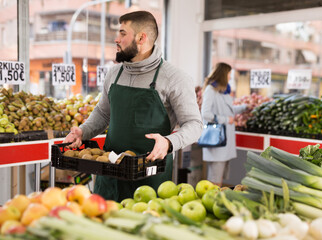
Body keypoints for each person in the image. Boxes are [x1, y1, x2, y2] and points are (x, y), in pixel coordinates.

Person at [64, 11, 203, 202]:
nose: (116, 39)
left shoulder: (174, 78)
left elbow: (195, 125)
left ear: (141, 38)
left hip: (150, 178)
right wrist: (83, 131)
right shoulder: (114, 73)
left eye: (122, 33)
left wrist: (170, 143)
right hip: (110, 171)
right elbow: (103, 113)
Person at [201, 62, 247, 186]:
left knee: (219, 178)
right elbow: (205, 114)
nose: (230, 77)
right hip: (217, 141)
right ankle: (212, 202)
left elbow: (230, 110)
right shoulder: (211, 90)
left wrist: (245, 107)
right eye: (229, 74)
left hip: (224, 143)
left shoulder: (223, 91)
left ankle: (216, 200)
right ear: (223, 74)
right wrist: (226, 119)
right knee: (214, 179)